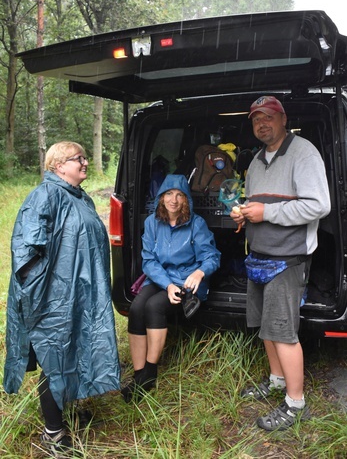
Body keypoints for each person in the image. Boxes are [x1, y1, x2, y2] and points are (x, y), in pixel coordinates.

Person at [3, 141, 121, 456]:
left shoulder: (77, 197)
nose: (84, 162)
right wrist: (42, 295)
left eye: (84, 157)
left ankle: (68, 408)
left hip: (79, 292)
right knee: (55, 358)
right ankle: (53, 434)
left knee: (76, 350)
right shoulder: (46, 195)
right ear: (59, 166)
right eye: (77, 158)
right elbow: (27, 250)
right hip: (54, 297)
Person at [230, 96, 331, 431]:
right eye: (256, 119)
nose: (262, 124)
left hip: (288, 257)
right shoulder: (257, 161)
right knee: (265, 327)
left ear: (283, 118)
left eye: (268, 117)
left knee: (284, 332)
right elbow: (259, 204)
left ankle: (295, 404)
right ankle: (275, 381)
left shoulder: (302, 152)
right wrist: (245, 212)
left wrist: (267, 213)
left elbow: (319, 205)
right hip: (259, 255)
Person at [121, 174, 220, 402]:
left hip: (186, 281)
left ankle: (150, 372)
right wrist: (166, 284)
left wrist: (199, 272)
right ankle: (139, 373)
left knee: (154, 307)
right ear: (161, 197)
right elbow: (149, 261)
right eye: (168, 194)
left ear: (186, 200)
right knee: (137, 308)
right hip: (160, 279)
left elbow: (211, 256)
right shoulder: (152, 223)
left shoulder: (197, 224)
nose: (173, 200)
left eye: (179, 195)